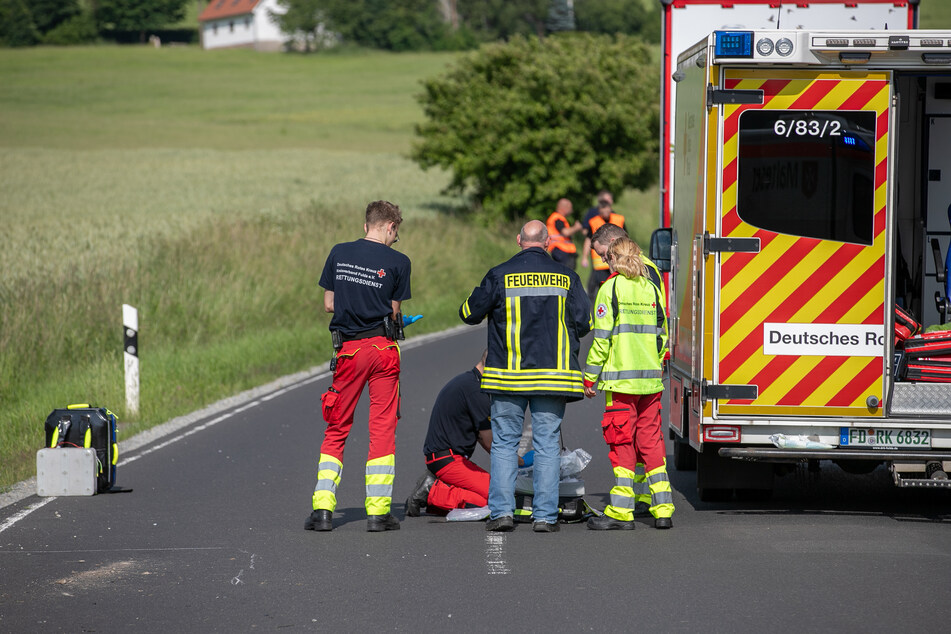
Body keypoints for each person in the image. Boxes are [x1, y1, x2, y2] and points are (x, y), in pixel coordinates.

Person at [460, 220, 591, 533]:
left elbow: (468, 313)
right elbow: (584, 321)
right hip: (553, 378)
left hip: (507, 377)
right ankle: (545, 517)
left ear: (519, 240)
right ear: (547, 242)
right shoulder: (567, 277)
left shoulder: (498, 274)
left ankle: (502, 513)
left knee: (505, 444)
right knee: (547, 445)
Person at [306, 200, 411, 533]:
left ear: (367, 224)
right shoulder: (399, 262)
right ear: (390, 226)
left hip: (349, 351)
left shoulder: (339, 252)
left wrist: (352, 302)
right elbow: (392, 312)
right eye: (397, 233)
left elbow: (328, 304)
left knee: (337, 427)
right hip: (383, 350)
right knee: (381, 429)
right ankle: (378, 513)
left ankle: (323, 510)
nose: (396, 240)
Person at [583, 237, 675, 530]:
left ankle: (622, 512)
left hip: (621, 383)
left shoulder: (610, 288)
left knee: (622, 442)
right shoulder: (651, 287)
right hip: (650, 382)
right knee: (651, 443)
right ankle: (663, 509)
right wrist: (656, 363)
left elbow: (601, 339)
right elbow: (663, 335)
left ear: (610, 257)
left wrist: (590, 376)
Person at [405, 351, 493, 516]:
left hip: (442, 456)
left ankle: (437, 490)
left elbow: (481, 435)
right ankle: (431, 491)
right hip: (448, 459)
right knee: (497, 497)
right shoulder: (477, 391)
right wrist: (519, 462)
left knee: (489, 494)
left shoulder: (468, 381)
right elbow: (490, 443)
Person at [580, 190, 626, 304]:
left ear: (610, 208)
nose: (605, 211)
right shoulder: (593, 222)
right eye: (602, 209)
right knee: (596, 289)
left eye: (607, 209)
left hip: (617, 261)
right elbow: (588, 239)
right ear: (599, 210)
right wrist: (584, 257)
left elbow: (626, 238)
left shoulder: (619, 219)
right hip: (600, 263)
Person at [545, 198, 584, 270]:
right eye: (570, 208)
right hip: (561, 251)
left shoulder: (559, 218)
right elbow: (565, 232)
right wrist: (576, 227)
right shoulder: (557, 218)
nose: (572, 210)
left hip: (562, 251)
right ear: (564, 208)